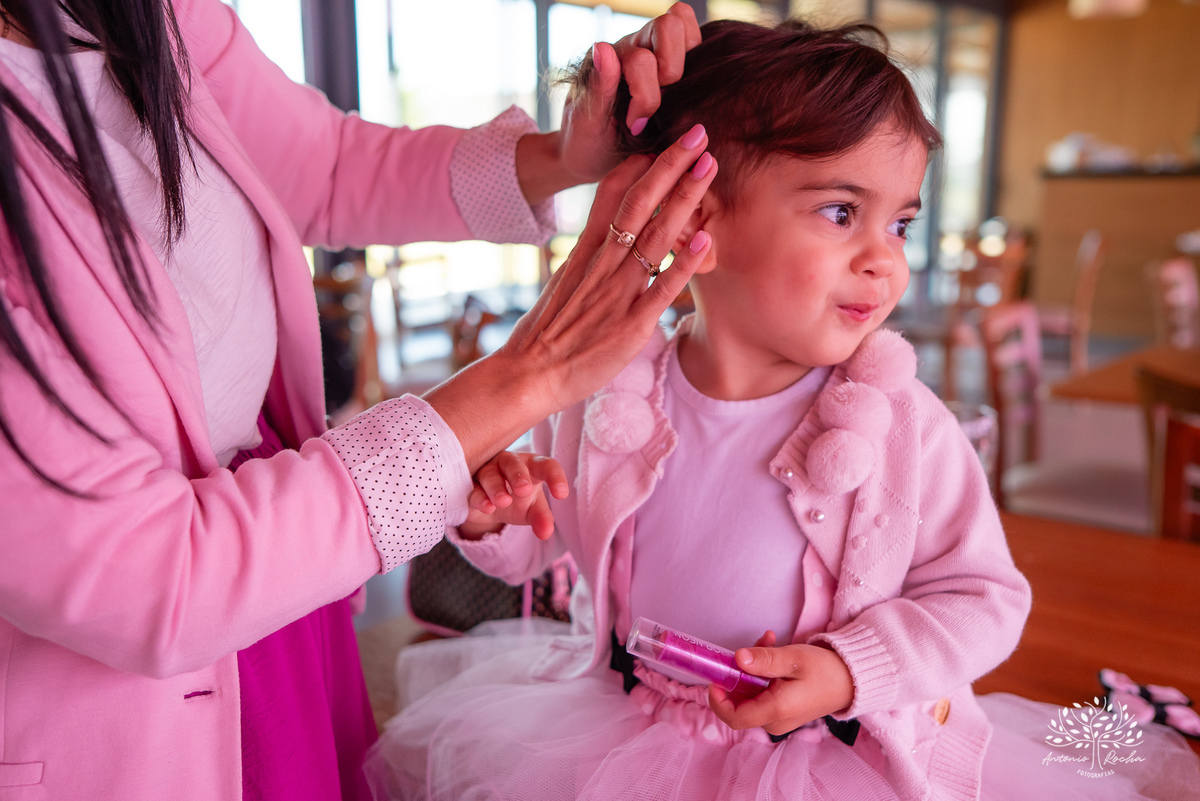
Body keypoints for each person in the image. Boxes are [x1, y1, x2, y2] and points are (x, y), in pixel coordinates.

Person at [364, 19, 1200, 801]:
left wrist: (847, 669)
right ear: (696, 219)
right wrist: (497, 514)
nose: (884, 260)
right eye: (842, 213)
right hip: (628, 729)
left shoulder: (902, 422)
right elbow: (546, 554)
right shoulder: (605, 391)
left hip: (826, 756)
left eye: (900, 223)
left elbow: (984, 597)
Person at [0, 0, 720, 799]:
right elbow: (147, 578)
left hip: (284, 578)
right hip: (135, 688)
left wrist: (562, 153)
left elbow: (325, 165)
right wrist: (524, 376)